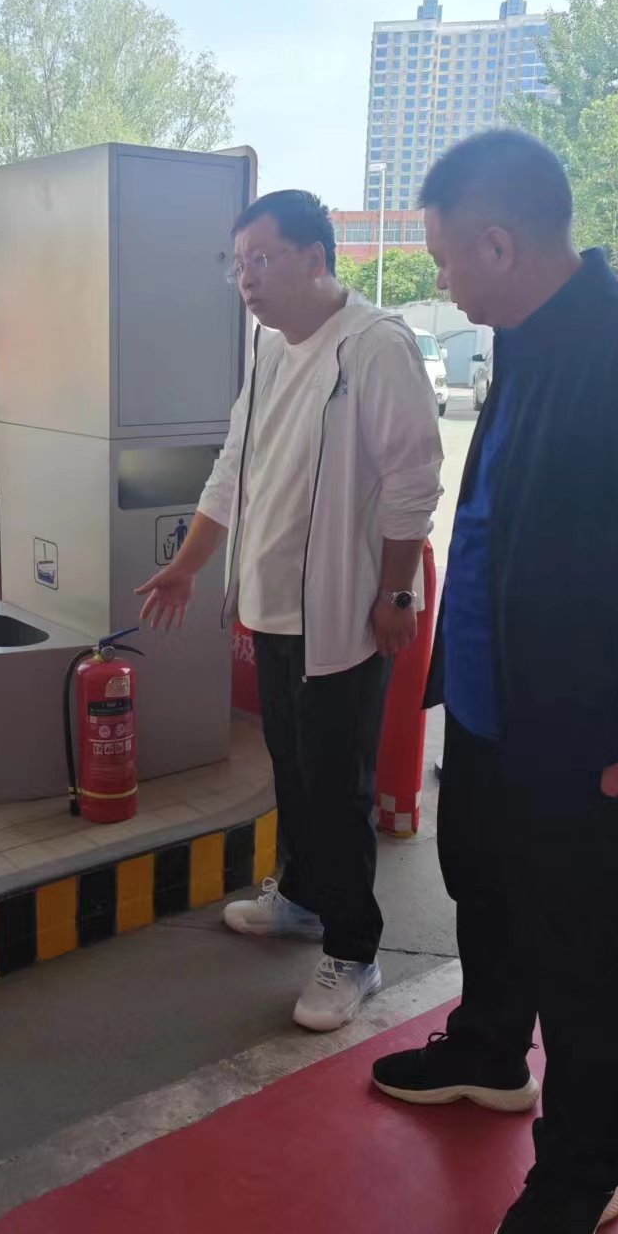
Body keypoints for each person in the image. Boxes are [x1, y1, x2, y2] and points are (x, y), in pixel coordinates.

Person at [368, 131, 618, 1233]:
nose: (442, 281)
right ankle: (489, 1050)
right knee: (483, 883)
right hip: (494, 702)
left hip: (584, 726)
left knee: (577, 943)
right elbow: (494, 517)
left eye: (446, 259)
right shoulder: (520, 341)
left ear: (498, 242)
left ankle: (583, 1167)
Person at [137, 190, 443, 1033]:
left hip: (344, 616)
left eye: (262, 259)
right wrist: (188, 567)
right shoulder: (270, 349)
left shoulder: (374, 346)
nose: (246, 279)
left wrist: (396, 593)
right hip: (272, 608)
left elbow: (414, 482)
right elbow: (233, 466)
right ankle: (303, 898)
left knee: (338, 789)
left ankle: (355, 950)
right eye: (238, 264)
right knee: (293, 769)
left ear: (316, 257)